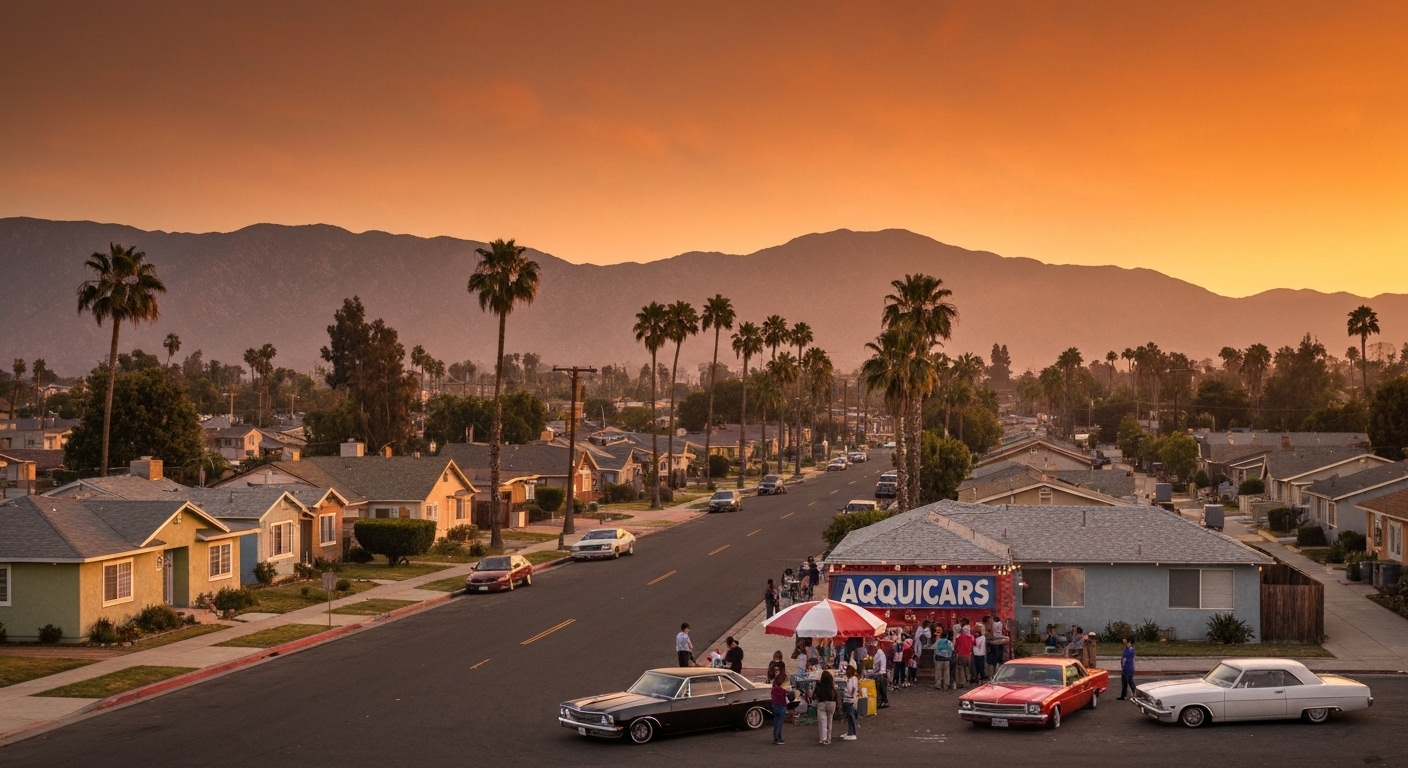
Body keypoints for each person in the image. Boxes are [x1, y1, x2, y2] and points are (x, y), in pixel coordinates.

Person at [814, 670, 838, 745]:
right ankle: (828, 738)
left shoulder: (819, 685)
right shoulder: (832, 686)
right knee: (829, 721)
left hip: (822, 703)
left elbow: (815, 695)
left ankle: (823, 738)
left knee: (822, 722)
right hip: (831, 704)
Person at [841, 666, 860, 740]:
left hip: (849, 700)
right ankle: (850, 731)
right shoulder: (854, 679)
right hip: (851, 700)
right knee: (850, 717)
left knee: (851, 717)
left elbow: (850, 689)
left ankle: (852, 733)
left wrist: (845, 692)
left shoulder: (851, 680)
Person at [869, 642, 890, 708]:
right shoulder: (877, 654)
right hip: (879, 674)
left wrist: (875, 673)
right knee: (880, 690)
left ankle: (881, 702)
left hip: (880, 675)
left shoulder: (880, 655)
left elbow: (881, 667)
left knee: (881, 689)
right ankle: (881, 702)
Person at [770, 672, 789, 745]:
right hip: (781, 706)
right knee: (780, 723)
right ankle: (777, 738)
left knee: (776, 722)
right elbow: (786, 698)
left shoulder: (774, 688)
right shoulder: (782, 690)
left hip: (775, 705)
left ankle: (777, 737)